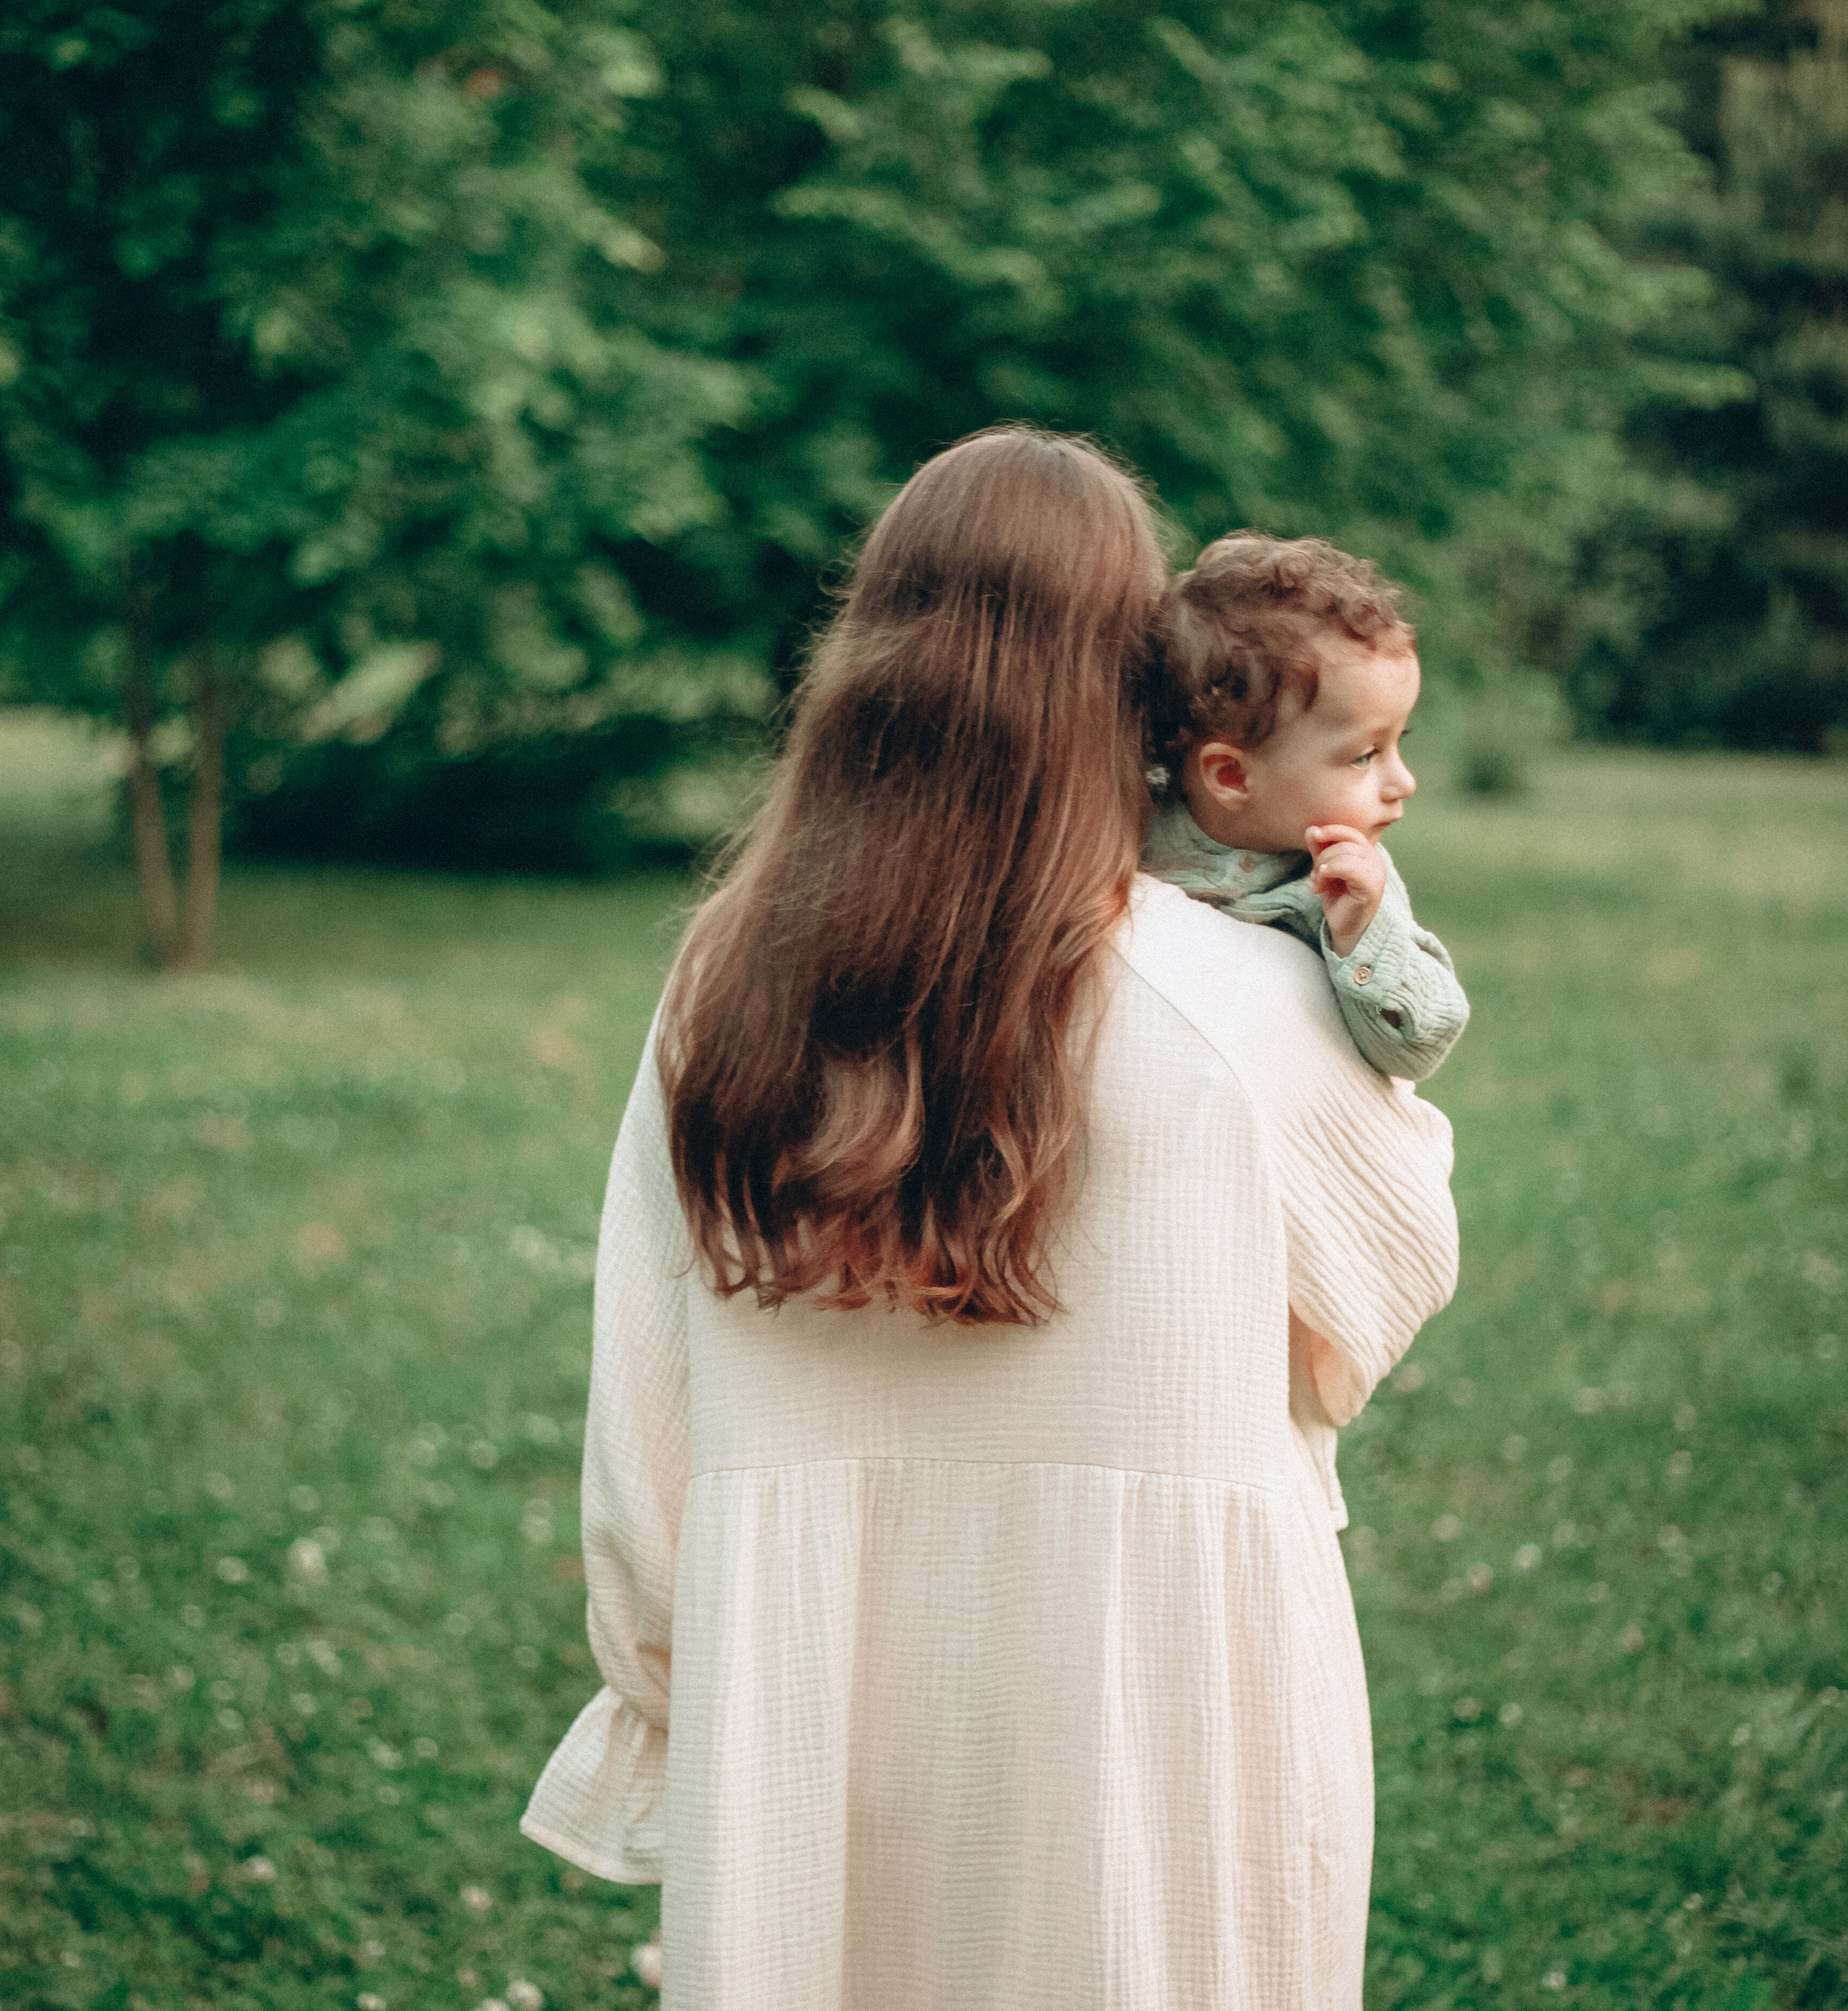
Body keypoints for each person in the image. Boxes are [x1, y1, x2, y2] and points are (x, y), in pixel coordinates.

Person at [520, 428, 1460, 2009]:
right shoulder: (1234, 1004)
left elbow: (645, 1420)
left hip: (810, 1723)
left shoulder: (722, 985)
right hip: (1154, 1733)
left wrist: (685, 1690)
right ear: (1132, 694)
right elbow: (1382, 1278)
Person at [1143, 532, 1469, 1084]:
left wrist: (1361, 934)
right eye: (1366, 755)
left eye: (1397, 744)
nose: (1404, 781)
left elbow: (1423, 1043)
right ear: (1230, 775)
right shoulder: (1129, 824)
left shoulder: (1349, 884)